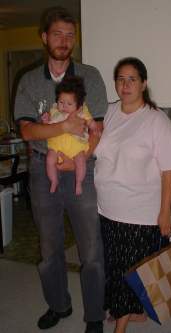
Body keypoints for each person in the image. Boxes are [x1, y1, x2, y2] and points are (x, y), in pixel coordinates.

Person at [14, 6, 107, 333]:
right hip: (43, 171)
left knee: (91, 248)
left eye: (70, 35)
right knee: (49, 248)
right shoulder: (28, 81)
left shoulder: (90, 76)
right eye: (57, 34)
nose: (64, 41)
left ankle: (94, 315)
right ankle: (59, 304)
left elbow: (97, 129)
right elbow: (27, 131)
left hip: (82, 166)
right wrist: (65, 126)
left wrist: (78, 154)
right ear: (44, 37)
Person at [94, 57, 171, 333]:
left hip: (139, 213)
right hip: (106, 208)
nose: (125, 84)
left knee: (127, 272)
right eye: (120, 79)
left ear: (144, 83)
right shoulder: (107, 113)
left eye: (132, 79)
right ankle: (134, 312)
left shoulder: (156, 122)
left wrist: (165, 211)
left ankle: (119, 328)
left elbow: (169, 170)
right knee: (116, 268)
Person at [42, 76, 99, 195]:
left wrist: (94, 127)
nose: (64, 106)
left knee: (81, 161)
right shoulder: (54, 111)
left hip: (75, 146)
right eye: (61, 102)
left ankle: (78, 182)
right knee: (49, 159)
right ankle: (54, 180)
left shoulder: (82, 112)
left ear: (78, 105)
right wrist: (46, 119)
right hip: (57, 146)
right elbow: (48, 124)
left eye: (69, 103)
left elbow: (90, 121)